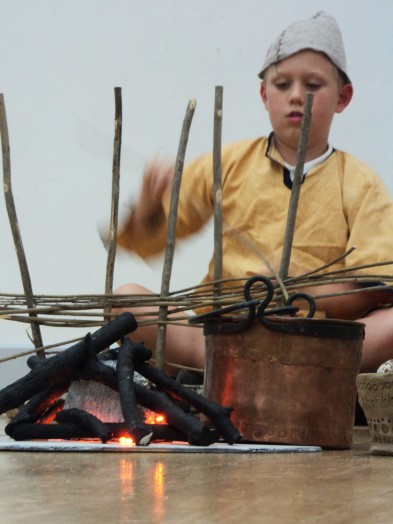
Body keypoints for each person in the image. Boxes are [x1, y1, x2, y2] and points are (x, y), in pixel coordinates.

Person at [113, 11, 393, 375]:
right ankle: (217, 362)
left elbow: (373, 289)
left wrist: (288, 289)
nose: (296, 96)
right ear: (264, 95)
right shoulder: (227, 164)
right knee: (127, 301)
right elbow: (150, 242)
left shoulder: (362, 183)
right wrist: (149, 204)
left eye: (312, 85)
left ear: (343, 97)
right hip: (222, 334)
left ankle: (273, 369)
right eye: (282, 85)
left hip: (316, 341)